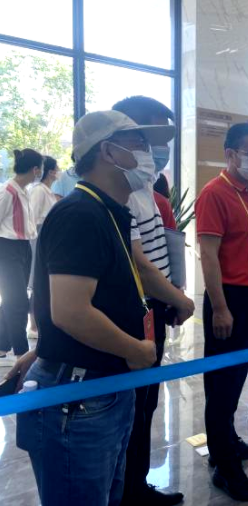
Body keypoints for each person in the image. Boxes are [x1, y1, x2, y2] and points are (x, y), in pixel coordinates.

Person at [15, 110, 166, 506]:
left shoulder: (108, 211)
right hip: (79, 397)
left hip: (101, 389)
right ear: (108, 152)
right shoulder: (80, 214)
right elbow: (71, 311)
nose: (149, 154)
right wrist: (136, 349)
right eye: (138, 144)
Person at [112, 96, 195, 506]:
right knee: (128, 409)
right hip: (129, 316)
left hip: (153, 311)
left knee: (145, 405)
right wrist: (181, 300)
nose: (156, 150)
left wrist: (169, 299)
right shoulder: (119, 194)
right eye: (148, 140)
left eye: (161, 141)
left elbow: (159, 254)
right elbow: (139, 266)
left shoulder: (145, 189)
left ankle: (136, 486)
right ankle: (124, 492)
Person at [196, 123, 248, 501]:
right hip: (228, 299)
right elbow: (209, 256)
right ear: (231, 154)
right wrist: (221, 308)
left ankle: (227, 439)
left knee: (236, 377)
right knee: (221, 385)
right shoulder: (214, 193)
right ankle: (224, 465)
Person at [0, 149, 41, 362]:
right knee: (18, 302)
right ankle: (21, 353)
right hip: (7, 248)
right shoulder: (8, 190)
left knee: (12, 298)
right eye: (40, 169)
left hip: (24, 248)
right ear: (35, 169)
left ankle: (2, 345)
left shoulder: (24, 190)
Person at [27, 156, 60, 339]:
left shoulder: (47, 191)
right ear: (50, 171)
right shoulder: (39, 190)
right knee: (37, 281)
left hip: (46, 237)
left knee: (43, 281)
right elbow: (32, 217)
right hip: (38, 236)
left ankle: (38, 324)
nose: (59, 171)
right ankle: (33, 325)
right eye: (57, 168)